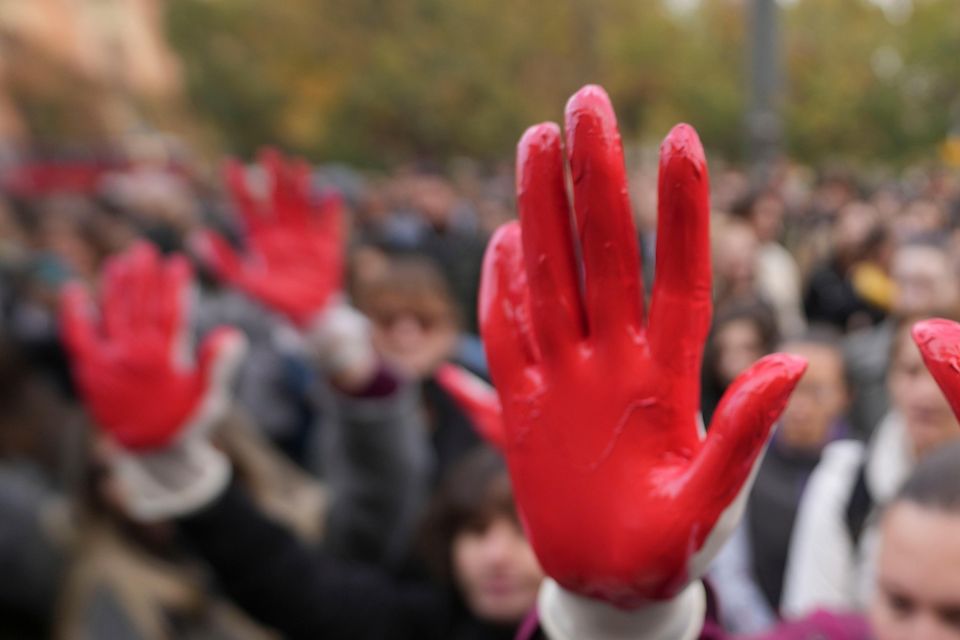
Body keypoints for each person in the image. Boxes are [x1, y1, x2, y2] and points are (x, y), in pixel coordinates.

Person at [781, 316, 960, 617]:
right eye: (912, 371)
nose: (928, 393)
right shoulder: (844, 480)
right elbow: (815, 619)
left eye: (947, 371)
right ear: (889, 378)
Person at [710, 328, 850, 634]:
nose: (800, 406)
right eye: (791, 389)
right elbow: (729, 569)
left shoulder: (857, 472)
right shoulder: (745, 459)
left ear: (845, 395)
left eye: (817, 391)